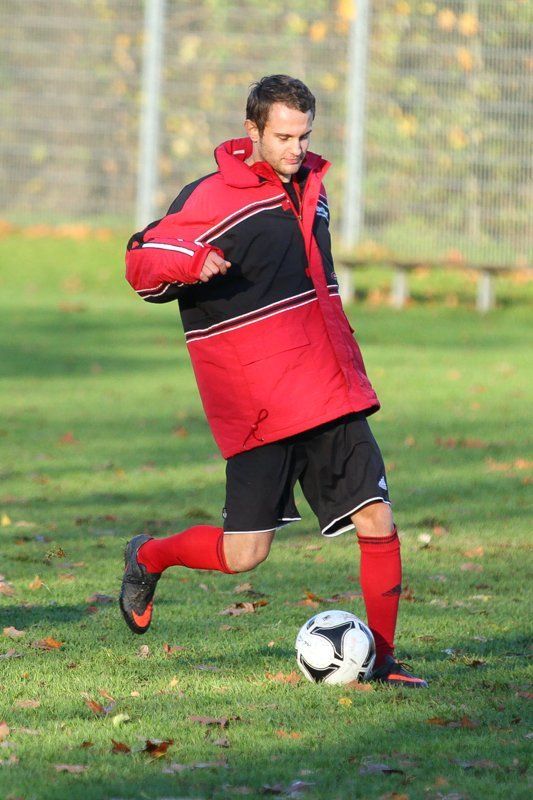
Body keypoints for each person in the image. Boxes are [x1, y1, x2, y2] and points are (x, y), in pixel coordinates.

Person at [120, 75, 427, 688]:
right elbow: (141, 259)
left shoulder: (313, 189)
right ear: (253, 130)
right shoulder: (212, 196)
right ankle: (149, 555)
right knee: (245, 555)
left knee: (378, 519)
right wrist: (192, 260)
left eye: (303, 135)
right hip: (259, 400)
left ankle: (384, 661)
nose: (295, 148)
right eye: (283, 137)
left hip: (328, 387)